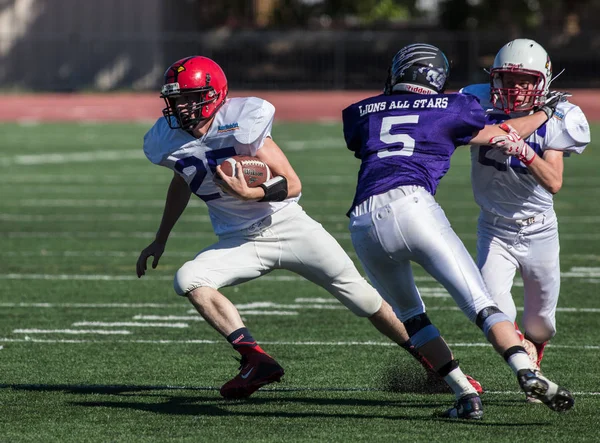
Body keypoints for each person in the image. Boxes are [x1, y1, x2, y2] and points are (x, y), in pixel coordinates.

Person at [136, 55, 466, 401]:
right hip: (239, 239)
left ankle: (436, 365)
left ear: (215, 94)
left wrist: (252, 192)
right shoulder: (166, 139)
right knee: (189, 279)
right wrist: (160, 239)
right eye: (176, 99)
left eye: (191, 97)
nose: (183, 106)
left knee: (366, 299)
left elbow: (292, 183)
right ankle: (255, 360)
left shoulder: (242, 120)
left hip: (290, 226)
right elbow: (181, 180)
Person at [342, 43, 575, 419]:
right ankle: (526, 371)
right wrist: (547, 111)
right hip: (415, 208)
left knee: (412, 318)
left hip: (364, 223)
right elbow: (503, 132)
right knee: (482, 305)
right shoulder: (452, 106)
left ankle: (465, 395)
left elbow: (365, 141)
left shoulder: (360, 112)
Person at [461, 39, 590, 398]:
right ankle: (526, 364)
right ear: (493, 79)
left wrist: (525, 152)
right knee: (491, 308)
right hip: (494, 227)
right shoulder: (475, 102)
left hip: (539, 230)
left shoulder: (564, 115)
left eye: (524, 81)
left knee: (541, 324)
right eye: (506, 79)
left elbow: (554, 183)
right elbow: (458, 134)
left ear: (543, 81)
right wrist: (525, 125)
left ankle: (535, 353)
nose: (514, 88)